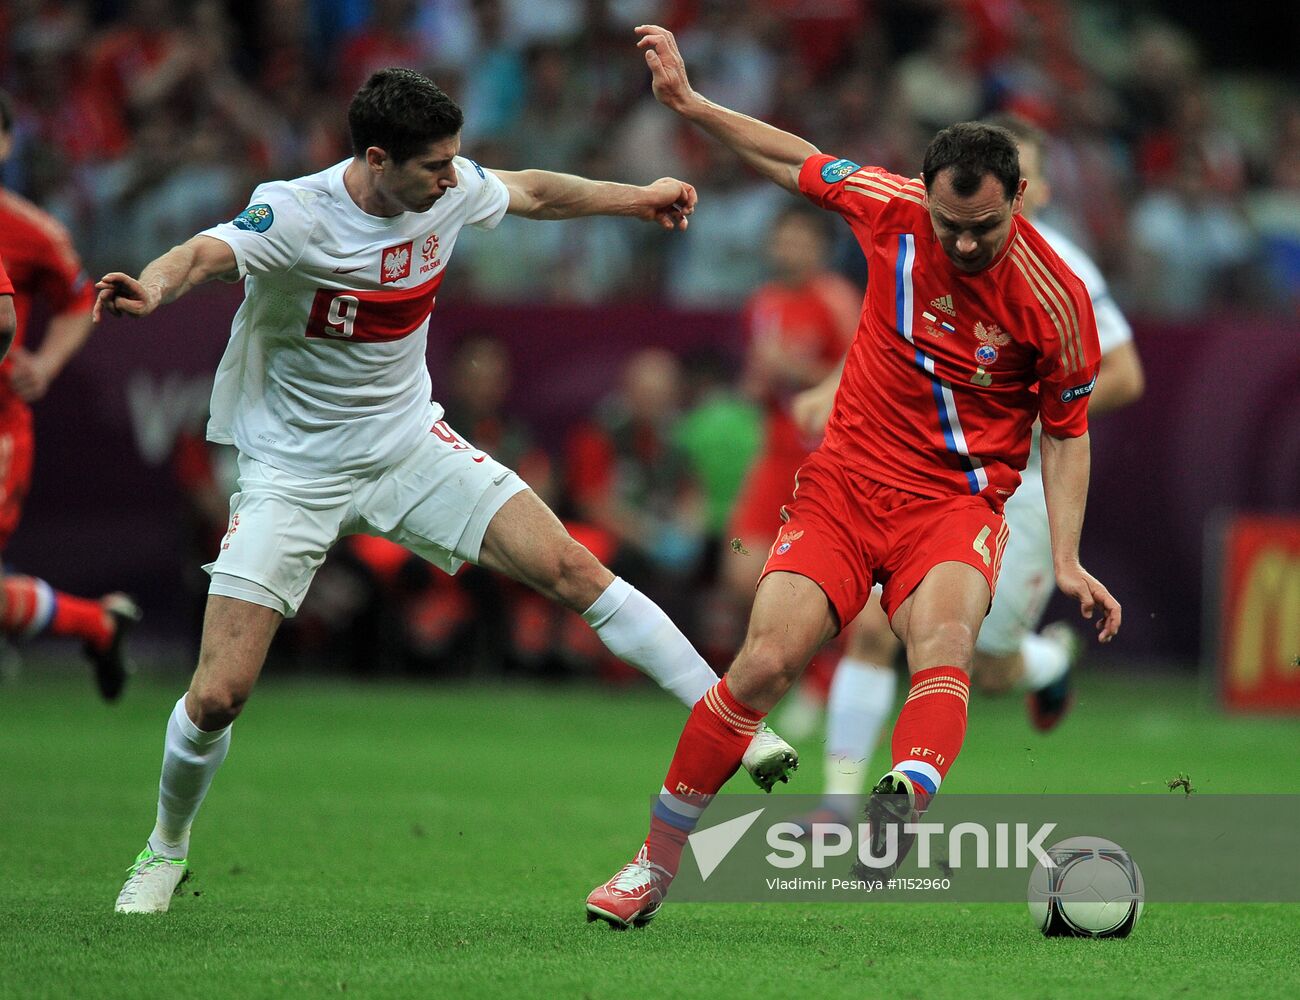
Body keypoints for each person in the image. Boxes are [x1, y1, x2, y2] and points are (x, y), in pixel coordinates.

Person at [95, 67, 795, 915]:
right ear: (377, 159)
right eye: (433, 165)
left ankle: (733, 721)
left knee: (572, 568)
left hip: (408, 447)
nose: (451, 176)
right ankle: (165, 850)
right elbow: (204, 254)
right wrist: (151, 286)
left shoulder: (448, 188)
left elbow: (536, 191)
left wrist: (637, 198)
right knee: (217, 696)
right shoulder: (296, 212)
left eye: (455, 160)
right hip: (293, 471)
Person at [585, 26, 1120, 929]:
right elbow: (792, 159)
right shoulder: (889, 208)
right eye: (950, 225)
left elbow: (1067, 436)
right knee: (763, 663)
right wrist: (692, 106)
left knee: (942, 641)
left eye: (985, 227)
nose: (964, 244)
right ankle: (653, 866)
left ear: (1020, 199)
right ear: (926, 195)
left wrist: (1066, 557)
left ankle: (899, 795)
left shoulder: (1058, 301)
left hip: (955, 501)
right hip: (843, 485)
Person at [789, 114, 1146, 825]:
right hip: (931, 484)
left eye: (1029, 175)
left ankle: (1047, 663)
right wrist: (835, 387)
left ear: (1027, 192)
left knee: (984, 664)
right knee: (873, 631)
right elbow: (902, 330)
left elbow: (1126, 375)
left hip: (1019, 486)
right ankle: (838, 807)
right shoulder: (939, 243)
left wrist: (1021, 414)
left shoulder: (1065, 274)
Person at [0, 89, 140, 701]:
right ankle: (96, 624)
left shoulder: (32, 231)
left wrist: (47, 362)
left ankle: (96, 625)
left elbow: (81, 300)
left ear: (7, 144)